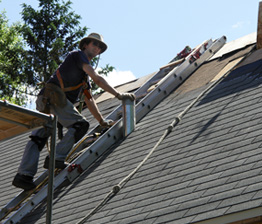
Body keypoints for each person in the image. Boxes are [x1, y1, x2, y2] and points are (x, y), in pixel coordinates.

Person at [12, 33, 135, 190]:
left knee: (39, 137)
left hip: (47, 100)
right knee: (80, 125)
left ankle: (23, 176)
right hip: (53, 97)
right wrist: (118, 95)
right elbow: (97, 78)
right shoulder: (77, 56)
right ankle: (55, 158)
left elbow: (89, 99)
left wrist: (101, 121)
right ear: (85, 45)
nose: (97, 49)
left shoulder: (83, 76)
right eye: (94, 45)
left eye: (99, 48)